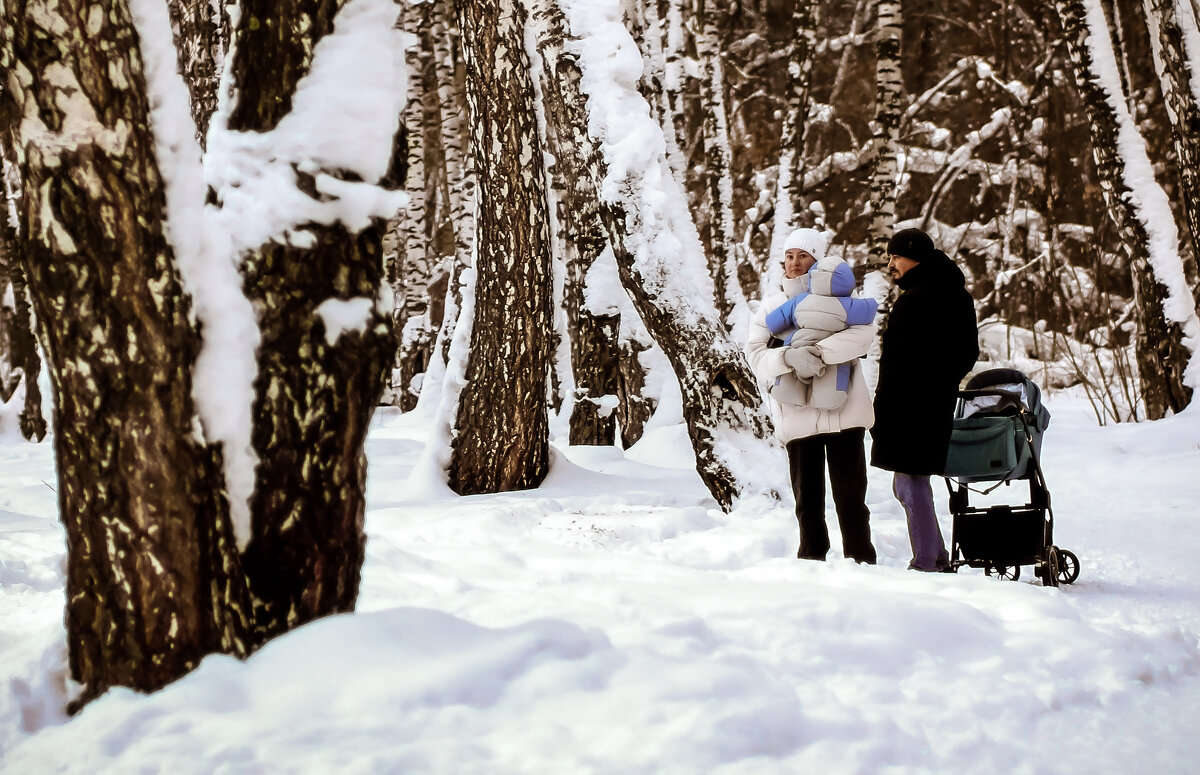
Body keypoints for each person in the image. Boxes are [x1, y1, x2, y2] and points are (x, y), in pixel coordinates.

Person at [746, 228, 877, 564]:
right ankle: (811, 561)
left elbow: (863, 337)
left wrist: (816, 351)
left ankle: (861, 560)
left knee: (851, 498)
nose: (795, 263)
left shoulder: (842, 298)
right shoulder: (773, 307)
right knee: (808, 500)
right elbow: (756, 354)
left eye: (803, 256)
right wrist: (788, 357)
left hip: (844, 409)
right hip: (798, 415)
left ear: (818, 261)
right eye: (790, 256)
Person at [870, 227, 979, 572]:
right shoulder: (957, 294)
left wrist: (886, 404)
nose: (891, 263)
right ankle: (936, 555)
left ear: (913, 257)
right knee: (913, 479)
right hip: (935, 401)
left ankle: (927, 560)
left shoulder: (915, 299)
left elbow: (897, 363)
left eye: (895, 256)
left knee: (909, 481)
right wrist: (942, 382)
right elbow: (968, 352)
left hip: (907, 404)